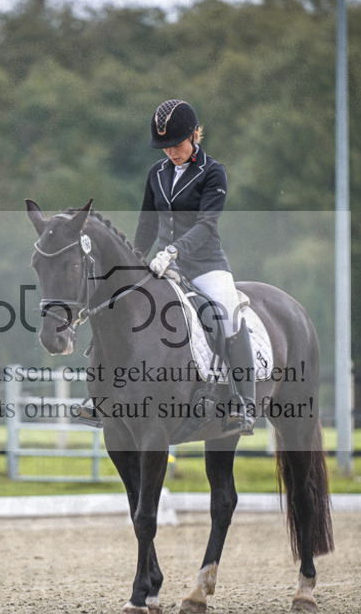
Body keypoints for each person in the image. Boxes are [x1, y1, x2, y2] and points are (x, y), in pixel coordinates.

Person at [78, 99, 255, 435]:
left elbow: (207, 225)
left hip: (205, 265)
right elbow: (147, 223)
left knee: (229, 315)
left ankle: (242, 401)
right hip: (162, 267)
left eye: (177, 145)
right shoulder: (157, 173)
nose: (171, 153)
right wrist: (135, 261)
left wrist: (173, 249)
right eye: (165, 148)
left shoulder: (213, 172)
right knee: (118, 310)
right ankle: (100, 396)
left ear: (194, 136)